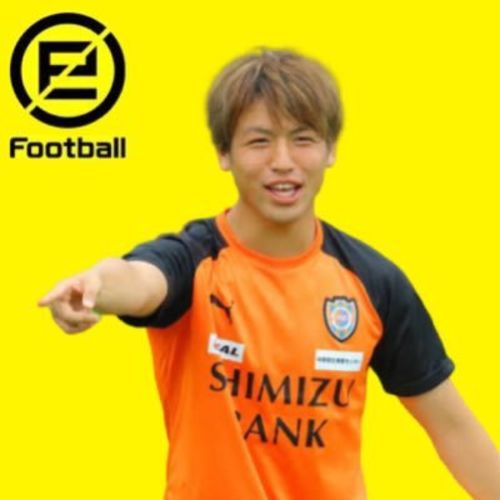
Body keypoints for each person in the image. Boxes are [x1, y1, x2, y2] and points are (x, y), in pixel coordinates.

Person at [38, 48, 500, 499]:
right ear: (224, 153)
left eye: (303, 138)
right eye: (259, 141)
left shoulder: (374, 283)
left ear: (330, 149)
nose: (282, 161)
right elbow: (139, 281)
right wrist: (95, 288)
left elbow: (452, 428)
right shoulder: (194, 261)